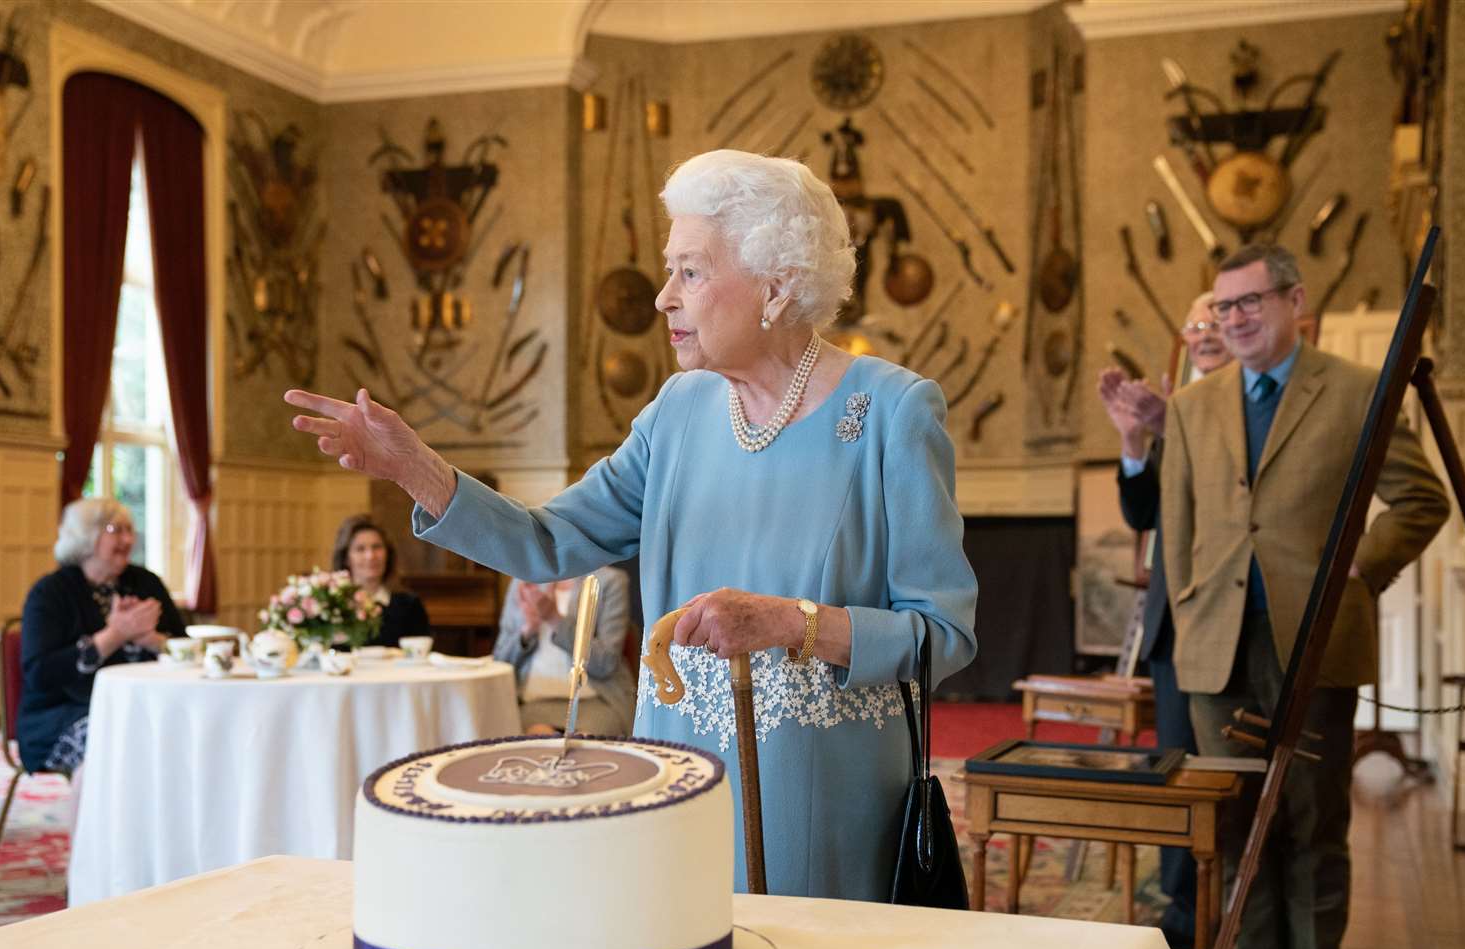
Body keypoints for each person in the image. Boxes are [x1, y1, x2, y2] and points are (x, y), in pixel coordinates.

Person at [287, 148, 978, 902]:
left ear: (776, 286)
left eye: (690, 270)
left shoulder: (892, 412)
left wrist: (793, 622)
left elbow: (943, 633)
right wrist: (415, 467)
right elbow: (545, 542)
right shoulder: (675, 414)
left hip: (824, 799)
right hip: (676, 776)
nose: (662, 298)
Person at [1161, 244, 1448, 949]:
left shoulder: (1357, 391)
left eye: (1251, 302)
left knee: (1315, 826)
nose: (1235, 320)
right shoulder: (1193, 405)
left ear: (1296, 303)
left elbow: (1420, 500)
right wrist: (1187, 608)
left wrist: (1366, 563)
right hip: (1218, 648)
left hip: (1316, 643)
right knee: (1240, 820)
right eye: (1223, 308)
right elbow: (1178, 530)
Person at [1095, 292, 1234, 949]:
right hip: (1175, 622)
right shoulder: (1171, 404)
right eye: (1197, 321)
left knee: (1230, 772)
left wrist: (1171, 422)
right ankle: (1184, 912)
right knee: (1175, 766)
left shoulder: (1247, 407)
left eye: (1217, 320)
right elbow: (1143, 511)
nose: (1206, 331)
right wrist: (1133, 442)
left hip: (1240, 616)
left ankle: (1240, 905)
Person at [19, 498, 187, 777]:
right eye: (115, 529)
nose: (128, 539)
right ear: (87, 536)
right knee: (112, 743)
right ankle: (96, 822)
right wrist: (114, 635)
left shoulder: (147, 583)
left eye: (130, 530)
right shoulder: (50, 592)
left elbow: (185, 648)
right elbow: (39, 672)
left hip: (146, 706)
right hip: (61, 715)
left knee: (186, 732)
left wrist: (153, 641)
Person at [495, 566, 637, 737]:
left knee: (584, 750)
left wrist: (554, 618)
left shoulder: (610, 580)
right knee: (541, 745)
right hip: (534, 701)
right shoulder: (523, 581)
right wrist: (528, 630)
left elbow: (605, 664)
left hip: (595, 700)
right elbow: (500, 661)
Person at [330, 515, 430, 648]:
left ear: (387, 554)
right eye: (360, 549)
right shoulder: (333, 604)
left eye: (376, 547)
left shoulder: (409, 605)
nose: (370, 556)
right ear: (346, 558)